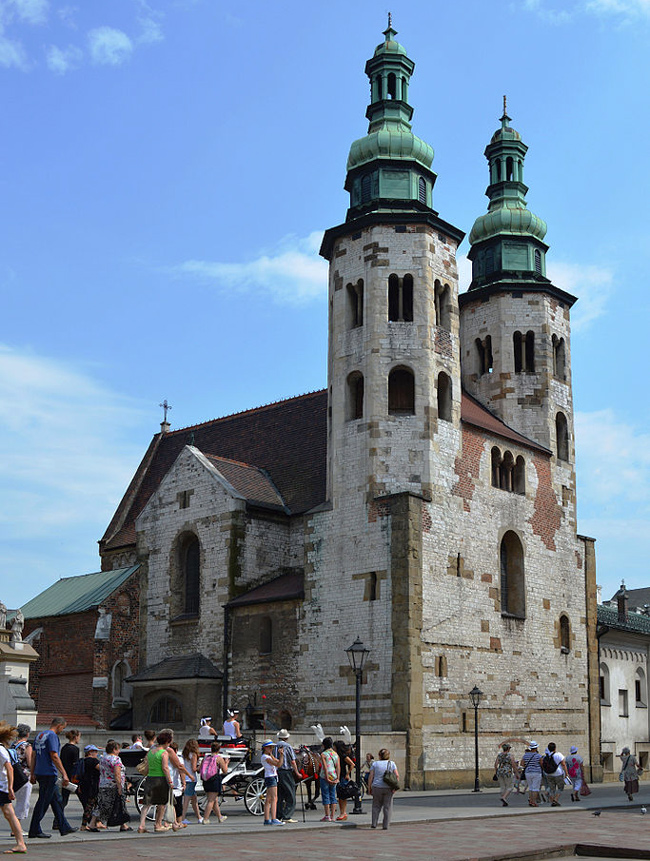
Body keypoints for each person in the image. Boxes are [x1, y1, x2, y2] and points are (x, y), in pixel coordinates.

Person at [28, 716, 77, 839]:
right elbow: (54, 755)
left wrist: (33, 772)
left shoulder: (40, 735)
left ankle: (63, 825)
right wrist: (64, 774)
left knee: (56, 800)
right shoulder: (52, 736)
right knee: (43, 801)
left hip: (40, 771)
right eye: (63, 728)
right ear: (59, 725)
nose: (62, 730)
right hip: (49, 773)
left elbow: (34, 756)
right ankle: (34, 829)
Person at [88, 740, 131, 832]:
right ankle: (123, 825)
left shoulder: (103, 758)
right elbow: (117, 774)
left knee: (102, 804)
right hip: (114, 785)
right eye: (118, 749)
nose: (119, 751)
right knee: (120, 804)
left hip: (103, 784)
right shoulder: (116, 759)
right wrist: (120, 787)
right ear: (114, 749)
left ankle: (92, 823)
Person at [138, 728, 175, 833]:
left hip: (150, 778)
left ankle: (141, 825)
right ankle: (158, 825)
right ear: (167, 742)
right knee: (162, 803)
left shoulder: (151, 752)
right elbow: (165, 768)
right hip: (160, 779)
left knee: (147, 804)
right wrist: (170, 781)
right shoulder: (164, 753)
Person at [0, 721, 27, 855]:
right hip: (2, 787)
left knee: (10, 814)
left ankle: (21, 844)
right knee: (9, 814)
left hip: (1, 787)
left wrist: (10, 788)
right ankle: (20, 843)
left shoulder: (0, 750)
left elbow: (9, 768)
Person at [368, 748, 399, 830]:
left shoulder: (375, 764)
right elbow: (397, 775)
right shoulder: (392, 763)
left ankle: (374, 823)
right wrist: (395, 787)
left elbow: (371, 777)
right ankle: (385, 825)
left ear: (379, 755)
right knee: (387, 807)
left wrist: (369, 787)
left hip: (376, 787)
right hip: (388, 787)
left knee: (376, 806)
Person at [200, 741, 229, 824]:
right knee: (211, 800)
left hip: (206, 780)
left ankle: (220, 817)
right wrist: (226, 763)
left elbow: (200, 769)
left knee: (214, 800)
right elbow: (225, 770)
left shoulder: (206, 757)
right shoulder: (218, 758)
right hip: (214, 780)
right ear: (219, 749)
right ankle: (205, 819)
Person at [10, 725, 32, 828]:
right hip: (24, 776)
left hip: (14, 776)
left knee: (16, 802)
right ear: (27, 734)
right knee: (23, 803)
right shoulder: (27, 746)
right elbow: (30, 762)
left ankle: (15, 827)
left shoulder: (13, 745)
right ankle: (16, 828)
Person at [276, 729, 301, 823]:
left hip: (277, 772)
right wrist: (297, 772)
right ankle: (287, 816)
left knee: (280, 795)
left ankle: (278, 815)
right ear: (286, 738)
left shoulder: (275, 746)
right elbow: (293, 761)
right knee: (291, 794)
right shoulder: (287, 746)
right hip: (286, 772)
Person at [261, 740, 284, 826]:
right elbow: (278, 764)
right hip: (271, 777)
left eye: (272, 747)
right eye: (269, 747)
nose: (271, 749)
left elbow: (278, 762)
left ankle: (267, 819)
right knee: (274, 798)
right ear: (265, 748)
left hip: (271, 777)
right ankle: (273, 818)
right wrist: (281, 755)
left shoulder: (269, 756)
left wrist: (278, 756)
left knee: (269, 799)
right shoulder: (265, 757)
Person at [78, 745, 101, 831]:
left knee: (90, 805)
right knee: (90, 805)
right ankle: (84, 825)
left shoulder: (83, 761)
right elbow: (101, 769)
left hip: (84, 785)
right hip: (92, 785)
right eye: (95, 751)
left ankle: (94, 823)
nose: (97, 753)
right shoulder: (93, 761)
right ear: (90, 752)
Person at [59, 729, 81, 818]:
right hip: (72, 776)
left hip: (65, 773)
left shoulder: (64, 748)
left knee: (64, 798)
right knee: (83, 797)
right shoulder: (75, 749)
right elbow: (75, 764)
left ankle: (58, 819)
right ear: (75, 737)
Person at [181, 738, 203, 823]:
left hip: (186, 778)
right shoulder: (193, 754)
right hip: (191, 779)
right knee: (187, 799)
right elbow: (194, 769)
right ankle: (182, 818)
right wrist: (200, 766)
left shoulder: (185, 754)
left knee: (194, 799)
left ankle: (199, 817)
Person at [319, 737, 340, 823]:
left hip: (325, 776)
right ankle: (332, 816)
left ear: (324, 745)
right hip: (334, 775)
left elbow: (324, 767)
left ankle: (327, 815)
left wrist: (327, 777)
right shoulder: (335, 754)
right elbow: (338, 766)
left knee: (325, 795)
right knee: (333, 795)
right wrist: (338, 778)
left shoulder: (323, 754)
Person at [334, 739, 355, 821]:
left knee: (342, 796)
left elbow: (352, 764)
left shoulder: (343, 756)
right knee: (340, 796)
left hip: (342, 776)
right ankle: (342, 813)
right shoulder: (337, 755)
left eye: (334, 746)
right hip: (338, 776)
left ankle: (343, 813)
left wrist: (347, 774)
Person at [544, 742, 569, 807]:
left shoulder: (546, 756)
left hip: (549, 774)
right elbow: (563, 764)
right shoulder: (558, 755)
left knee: (552, 788)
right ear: (555, 748)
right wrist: (566, 773)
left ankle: (552, 800)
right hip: (558, 773)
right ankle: (555, 800)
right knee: (560, 787)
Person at [494, 742, 519, 807]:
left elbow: (496, 764)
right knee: (510, 787)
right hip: (508, 772)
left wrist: (496, 771)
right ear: (508, 749)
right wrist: (516, 773)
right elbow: (513, 765)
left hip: (500, 771)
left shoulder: (499, 755)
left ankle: (504, 801)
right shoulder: (510, 756)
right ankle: (504, 797)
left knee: (502, 786)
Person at [520, 740, 543, 807]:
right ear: (536, 748)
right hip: (536, 772)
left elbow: (522, 764)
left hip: (528, 772)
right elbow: (541, 764)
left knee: (530, 787)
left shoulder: (525, 755)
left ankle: (530, 800)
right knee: (535, 788)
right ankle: (533, 801)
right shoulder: (538, 756)